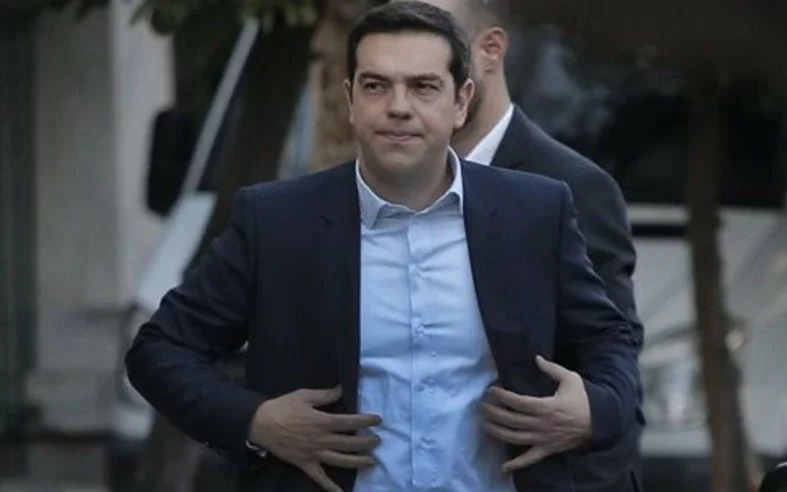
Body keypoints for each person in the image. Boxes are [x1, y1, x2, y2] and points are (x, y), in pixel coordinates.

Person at [125, 2, 639, 491]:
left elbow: (609, 339)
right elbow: (160, 350)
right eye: (376, 86)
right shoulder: (277, 223)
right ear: (350, 100)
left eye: (423, 87)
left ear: (460, 102)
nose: (398, 107)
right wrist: (256, 421)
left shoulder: (535, 212)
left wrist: (594, 411)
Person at [395, 0, 646, 490]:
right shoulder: (373, 186)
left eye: (436, 49)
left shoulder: (573, 187)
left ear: (490, 49)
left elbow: (613, 377)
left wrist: (590, 418)